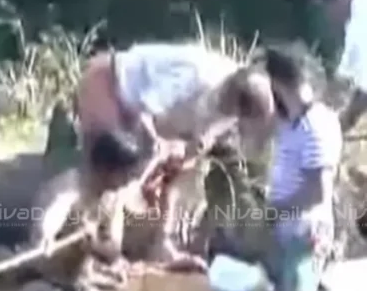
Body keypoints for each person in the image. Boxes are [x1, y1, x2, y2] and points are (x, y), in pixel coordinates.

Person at [75, 42, 273, 269]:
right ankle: (94, 246)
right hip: (109, 84)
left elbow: (202, 137)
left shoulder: (237, 100)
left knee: (179, 168)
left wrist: (185, 154)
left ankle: (161, 244)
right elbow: (146, 111)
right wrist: (157, 148)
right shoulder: (195, 75)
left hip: (147, 110)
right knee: (117, 167)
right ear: (232, 96)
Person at [218, 45, 343, 291]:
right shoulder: (294, 122)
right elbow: (257, 133)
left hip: (304, 238)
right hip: (289, 236)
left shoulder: (315, 125)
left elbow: (317, 192)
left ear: (276, 83)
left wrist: (273, 213)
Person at [25, 128, 143, 291]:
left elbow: (114, 250)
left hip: (81, 279)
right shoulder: (70, 185)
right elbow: (57, 209)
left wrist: (93, 243)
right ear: (104, 169)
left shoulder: (114, 196)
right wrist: (46, 236)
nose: (129, 180)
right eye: (125, 174)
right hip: (47, 279)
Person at [305, 0, 367, 132]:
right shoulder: (359, 3)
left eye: (325, 7)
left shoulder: (362, 17)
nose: (327, 16)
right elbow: (344, 77)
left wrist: (339, 127)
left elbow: (364, 90)